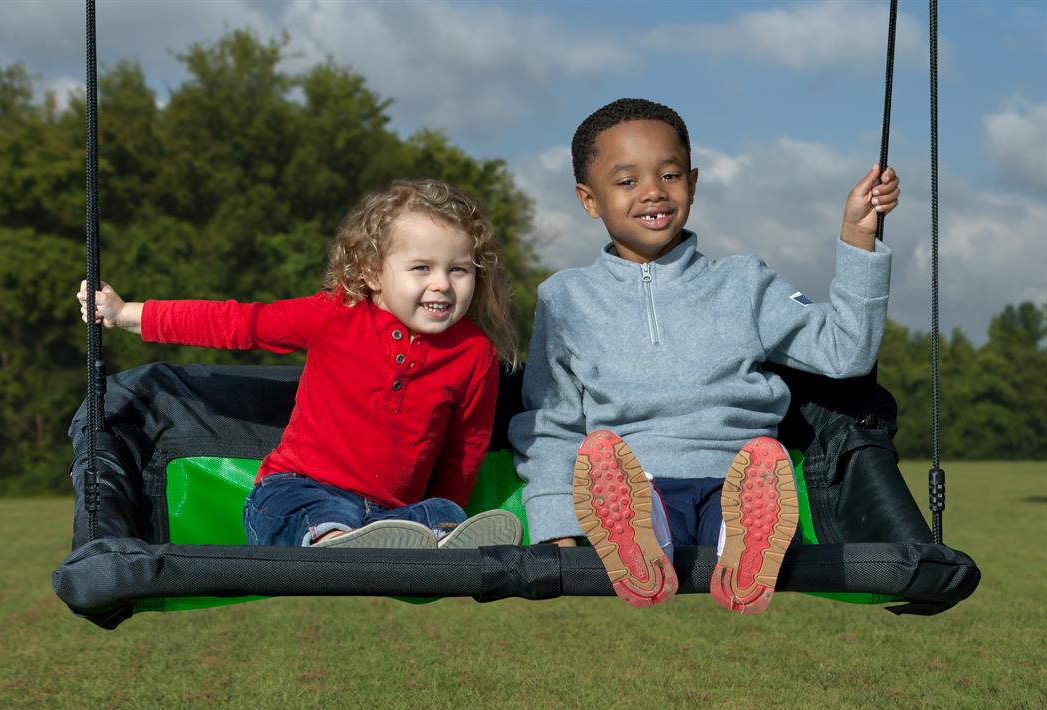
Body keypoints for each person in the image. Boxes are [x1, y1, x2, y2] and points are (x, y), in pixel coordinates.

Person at [509, 98, 900, 612]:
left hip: (741, 476)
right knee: (636, 502)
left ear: (692, 182)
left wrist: (857, 238)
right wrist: (556, 522)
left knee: (744, 504)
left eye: (669, 175)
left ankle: (745, 557)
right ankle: (639, 551)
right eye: (627, 181)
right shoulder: (565, 298)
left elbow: (844, 350)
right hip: (634, 478)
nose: (653, 191)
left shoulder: (743, 282)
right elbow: (552, 422)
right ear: (589, 199)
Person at [79, 179, 522, 550]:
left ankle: (437, 539)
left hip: (391, 514)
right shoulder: (336, 314)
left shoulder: (474, 353)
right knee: (313, 511)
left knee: (442, 510)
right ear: (371, 272)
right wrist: (126, 314)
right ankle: (331, 542)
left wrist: (449, 504)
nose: (442, 285)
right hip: (297, 490)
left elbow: (465, 446)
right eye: (422, 268)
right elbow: (239, 323)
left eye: (459, 270)